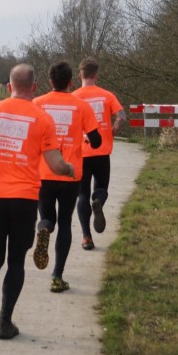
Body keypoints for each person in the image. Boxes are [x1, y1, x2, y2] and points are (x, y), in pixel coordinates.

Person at [0, 63, 75, 340]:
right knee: (16, 262)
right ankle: (4, 323)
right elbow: (55, 164)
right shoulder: (42, 119)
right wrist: (68, 169)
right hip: (24, 198)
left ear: (8, 87)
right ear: (35, 87)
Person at [32, 61, 101, 292]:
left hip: (44, 172)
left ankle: (43, 228)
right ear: (71, 82)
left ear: (50, 81)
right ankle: (57, 276)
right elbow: (97, 141)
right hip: (71, 174)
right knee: (65, 223)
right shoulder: (81, 106)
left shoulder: (37, 104)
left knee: (47, 217)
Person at [72, 57, 127, 251]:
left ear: (80, 74)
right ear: (96, 75)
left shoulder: (74, 97)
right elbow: (122, 117)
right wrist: (112, 131)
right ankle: (98, 202)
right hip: (102, 151)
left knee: (82, 194)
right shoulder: (107, 95)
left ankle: (86, 238)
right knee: (101, 187)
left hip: (81, 153)